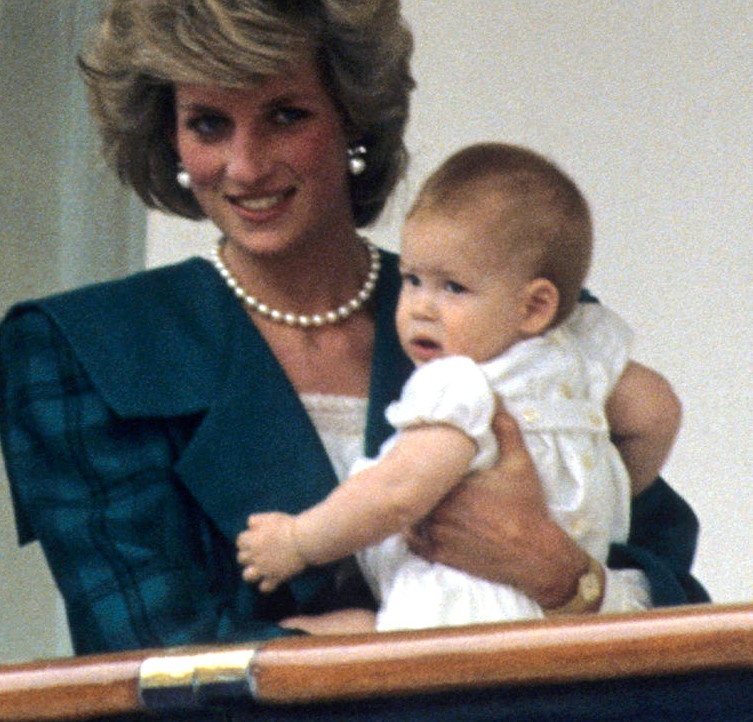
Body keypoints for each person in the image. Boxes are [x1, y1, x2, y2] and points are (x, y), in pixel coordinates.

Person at [0, 0, 707, 657]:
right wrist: (360, 649)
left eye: (286, 114)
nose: (246, 164)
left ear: (353, 114)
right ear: (166, 134)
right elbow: (146, 646)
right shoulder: (85, 351)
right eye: (208, 123)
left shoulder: (508, 310)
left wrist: (559, 575)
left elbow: (679, 603)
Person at [237, 142, 680, 629]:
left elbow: (395, 494)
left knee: (373, 630)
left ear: (534, 307)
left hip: (462, 613)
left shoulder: (459, 384)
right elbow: (658, 413)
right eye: (411, 279)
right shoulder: (575, 356)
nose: (422, 307)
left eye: (453, 288)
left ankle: (364, 628)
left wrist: (298, 541)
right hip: (558, 616)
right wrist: (598, 494)